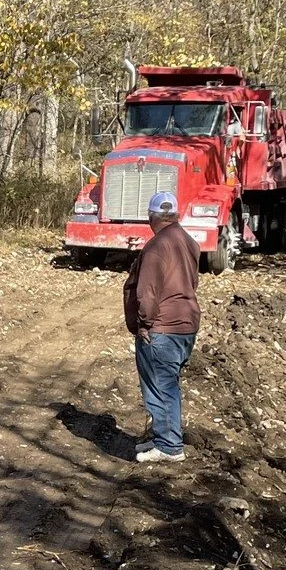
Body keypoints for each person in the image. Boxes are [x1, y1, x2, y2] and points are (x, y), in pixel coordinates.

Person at [122, 189, 201, 463]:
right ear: (175, 215)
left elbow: (147, 292)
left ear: (152, 218)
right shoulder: (189, 242)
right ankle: (164, 437)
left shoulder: (156, 247)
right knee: (169, 383)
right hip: (186, 324)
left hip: (162, 328)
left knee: (160, 386)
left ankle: (169, 446)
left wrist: (144, 323)